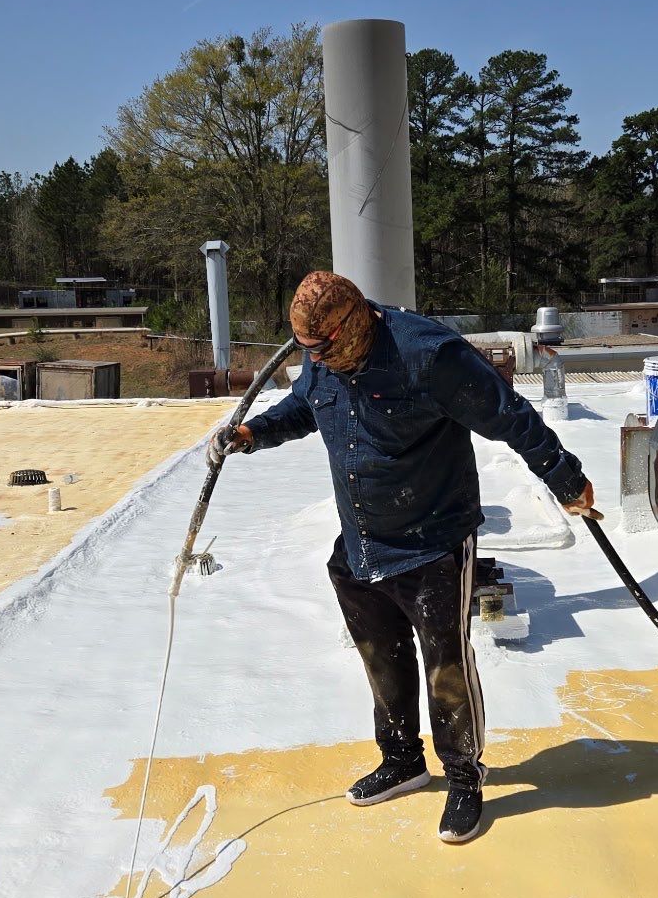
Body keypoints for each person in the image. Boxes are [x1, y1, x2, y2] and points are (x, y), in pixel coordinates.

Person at [208, 272, 594, 844]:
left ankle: (465, 777)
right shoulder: (322, 356)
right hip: (362, 541)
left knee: (446, 668)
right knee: (382, 659)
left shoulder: (429, 356)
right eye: (306, 350)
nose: (313, 359)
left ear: (352, 324)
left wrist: (565, 477)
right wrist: (251, 433)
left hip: (434, 541)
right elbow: (304, 406)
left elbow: (509, 414)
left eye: (321, 349)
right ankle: (402, 760)